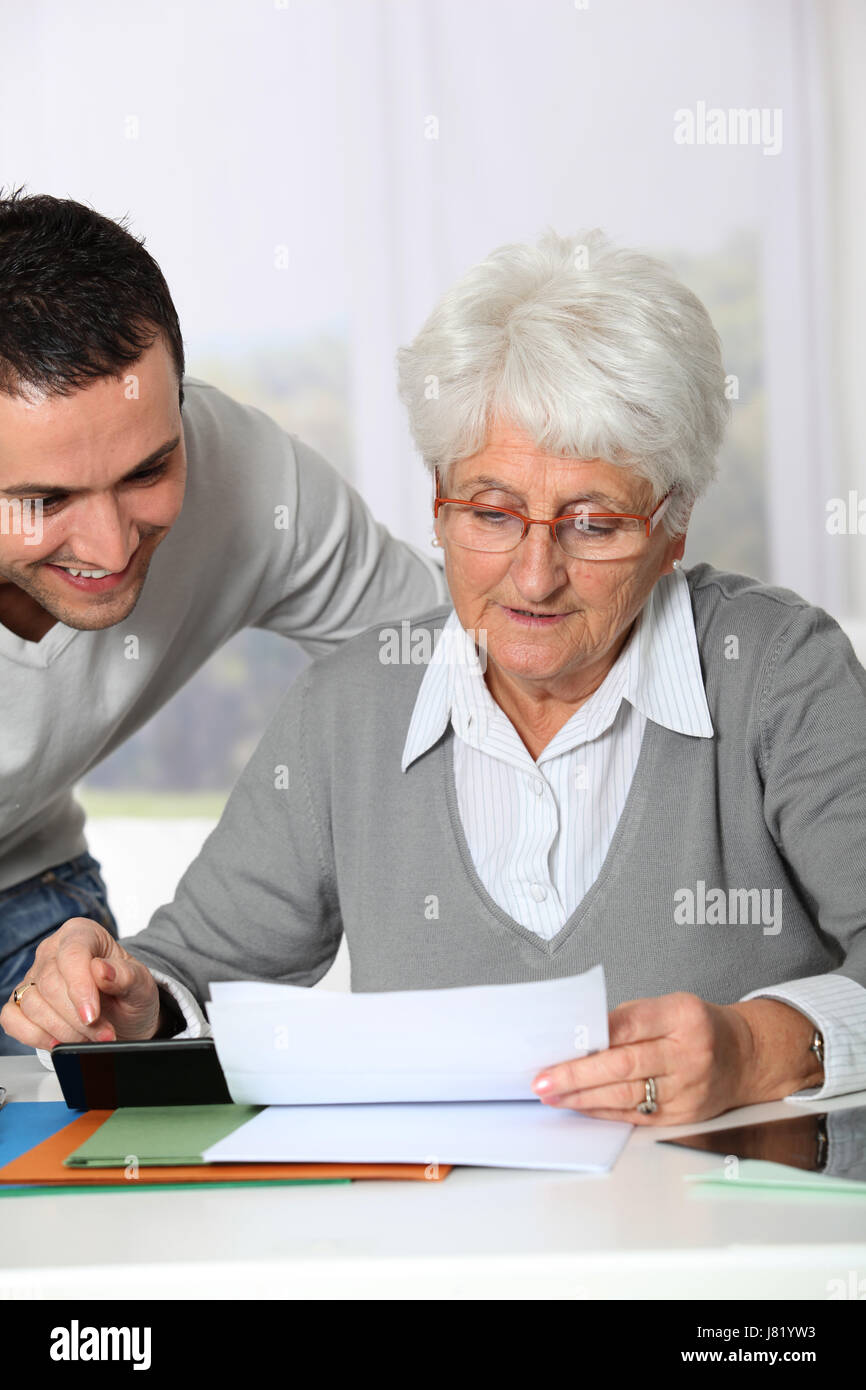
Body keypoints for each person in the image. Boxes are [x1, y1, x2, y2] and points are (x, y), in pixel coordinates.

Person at [4, 228, 865, 1126]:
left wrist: (764, 1048)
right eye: (491, 513)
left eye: (595, 523)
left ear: (673, 526)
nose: (534, 577)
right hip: (438, 1252)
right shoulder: (355, 705)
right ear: (438, 505)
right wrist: (135, 996)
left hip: (722, 1245)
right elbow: (189, 970)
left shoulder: (779, 676)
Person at [0, 189, 446, 1054]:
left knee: (110, 1163)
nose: (108, 543)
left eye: (147, 469)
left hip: (34, 902)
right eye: (44, 500)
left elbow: (449, 656)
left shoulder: (245, 476)